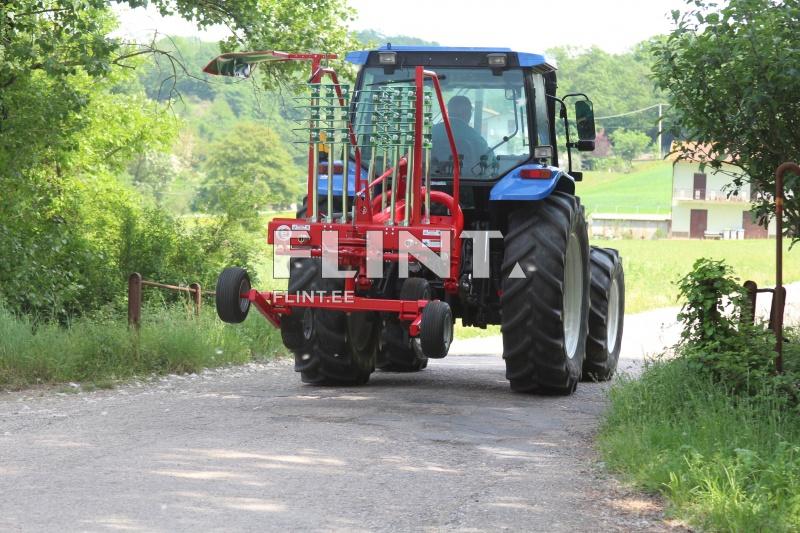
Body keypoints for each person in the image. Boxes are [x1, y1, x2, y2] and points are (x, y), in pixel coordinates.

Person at [431, 95, 494, 177]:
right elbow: (489, 163)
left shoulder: (431, 132)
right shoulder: (476, 138)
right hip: (468, 185)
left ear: (448, 112)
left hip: (432, 183)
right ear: (468, 114)